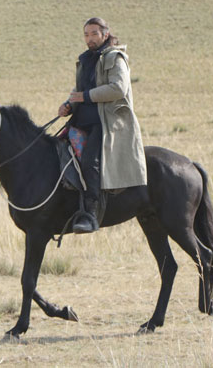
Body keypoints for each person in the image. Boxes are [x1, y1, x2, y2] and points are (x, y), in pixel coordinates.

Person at [58, 17, 147, 234]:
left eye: (94, 34)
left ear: (105, 34)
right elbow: (79, 90)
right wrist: (68, 105)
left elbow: (118, 88)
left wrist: (84, 97)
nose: (89, 38)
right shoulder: (86, 60)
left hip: (106, 124)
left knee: (90, 162)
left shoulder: (115, 58)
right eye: (86, 34)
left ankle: (90, 214)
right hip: (81, 122)